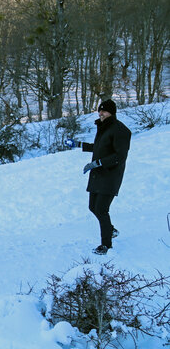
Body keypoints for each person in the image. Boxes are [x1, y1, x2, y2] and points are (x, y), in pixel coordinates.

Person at [65, 98, 131, 255]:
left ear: (112, 112)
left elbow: (120, 156)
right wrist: (79, 144)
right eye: (100, 110)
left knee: (101, 209)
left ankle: (106, 245)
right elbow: (100, 147)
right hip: (98, 174)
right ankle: (110, 230)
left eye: (104, 111)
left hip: (110, 175)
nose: (100, 113)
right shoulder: (104, 128)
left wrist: (99, 162)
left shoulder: (120, 130)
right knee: (93, 207)